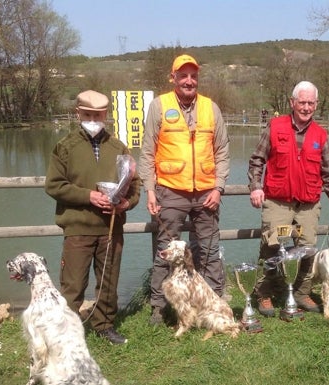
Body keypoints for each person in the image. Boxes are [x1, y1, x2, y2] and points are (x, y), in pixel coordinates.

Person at [137, 54, 230, 325]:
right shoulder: (159, 105)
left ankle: (213, 302)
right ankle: (159, 305)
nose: (189, 81)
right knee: (165, 251)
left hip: (206, 193)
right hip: (170, 191)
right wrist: (151, 191)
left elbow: (223, 151)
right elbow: (147, 153)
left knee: (209, 251)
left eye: (193, 75)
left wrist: (219, 188)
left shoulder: (211, 108)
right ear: (173, 77)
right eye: (183, 75)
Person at [45, 90, 140, 344]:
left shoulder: (119, 147)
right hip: (77, 228)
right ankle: (67, 332)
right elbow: (54, 186)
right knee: (73, 285)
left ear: (106, 115)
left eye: (99, 115)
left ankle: (104, 325)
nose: (94, 119)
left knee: (108, 282)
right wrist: (89, 196)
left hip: (111, 228)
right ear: (78, 113)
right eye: (88, 115)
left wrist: (124, 204)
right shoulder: (64, 147)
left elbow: (134, 185)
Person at [247, 80, 329, 317]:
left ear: (316, 104)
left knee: (307, 250)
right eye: (302, 102)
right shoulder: (275, 126)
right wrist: (255, 187)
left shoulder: (320, 136)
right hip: (278, 202)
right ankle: (265, 294)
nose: (306, 107)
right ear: (292, 102)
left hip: (307, 206)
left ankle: (301, 292)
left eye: (311, 103)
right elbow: (257, 160)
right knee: (271, 248)